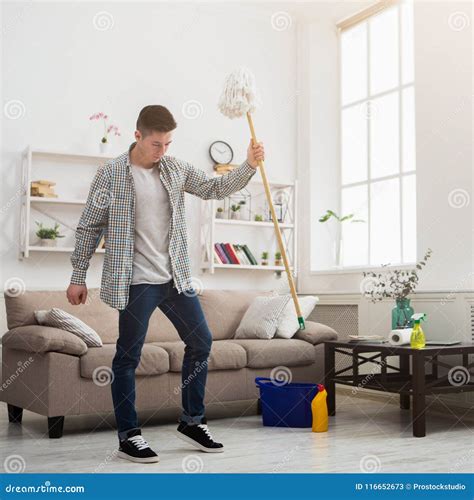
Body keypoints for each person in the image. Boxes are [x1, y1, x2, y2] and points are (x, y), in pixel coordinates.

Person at [66, 104, 264, 463]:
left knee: (201, 342)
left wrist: (248, 165)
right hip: (136, 280)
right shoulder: (110, 174)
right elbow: (89, 225)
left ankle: (192, 421)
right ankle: (129, 436)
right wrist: (78, 276)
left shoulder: (173, 169)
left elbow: (214, 188)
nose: (163, 151)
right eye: (157, 144)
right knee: (128, 356)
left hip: (176, 277)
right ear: (138, 135)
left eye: (168, 144)